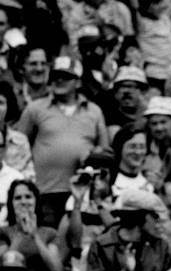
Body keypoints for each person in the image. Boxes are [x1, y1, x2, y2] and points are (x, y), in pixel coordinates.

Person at [16, 55, 109, 228]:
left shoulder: (94, 111)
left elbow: (104, 151)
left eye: (66, 76)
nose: (59, 80)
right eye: (55, 76)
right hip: (45, 191)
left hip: (82, 192)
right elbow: (19, 146)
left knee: (78, 244)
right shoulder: (35, 108)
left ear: (78, 82)